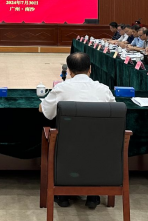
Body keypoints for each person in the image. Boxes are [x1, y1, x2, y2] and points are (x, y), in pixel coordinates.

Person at [39, 52, 115, 209]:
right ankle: (93, 195)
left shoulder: (61, 88)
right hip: (98, 147)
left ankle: (62, 194)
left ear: (69, 71)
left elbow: (45, 111)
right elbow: (113, 114)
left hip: (67, 146)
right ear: (90, 69)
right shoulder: (104, 90)